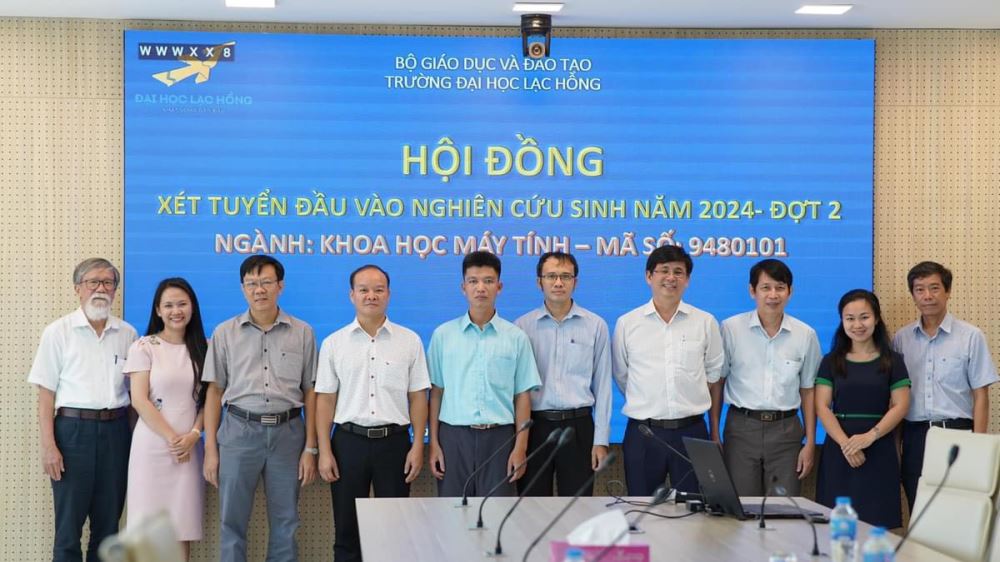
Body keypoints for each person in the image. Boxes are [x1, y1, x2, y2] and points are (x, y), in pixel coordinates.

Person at [201, 255, 319, 562]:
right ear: (243, 288)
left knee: (286, 521)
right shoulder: (224, 333)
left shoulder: (303, 332)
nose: (259, 290)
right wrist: (211, 449)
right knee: (231, 521)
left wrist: (311, 448)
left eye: (266, 282)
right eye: (252, 283)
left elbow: (311, 392)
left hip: (288, 434)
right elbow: (214, 391)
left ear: (280, 286)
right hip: (238, 432)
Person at [315, 265, 430, 562]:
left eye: (378, 290)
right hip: (347, 443)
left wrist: (418, 445)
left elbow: (418, 397)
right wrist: (324, 451)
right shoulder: (334, 343)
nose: (371, 296)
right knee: (346, 533)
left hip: (394, 444)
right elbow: (325, 400)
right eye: (364, 290)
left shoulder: (410, 341)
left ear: (388, 294)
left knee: (395, 531)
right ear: (351, 295)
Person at [28, 257, 138, 562]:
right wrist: (49, 447)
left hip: (117, 432)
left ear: (115, 290)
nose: (100, 288)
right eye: (93, 282)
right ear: (78, 288)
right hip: (72, 434)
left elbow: (134, 396)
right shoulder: (58, 332)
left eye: (108, 282)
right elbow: (46, 396)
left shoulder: (128, 334)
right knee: (68, 530)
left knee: (108, 529)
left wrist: (133, 443)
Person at [428, 251, 541, 497]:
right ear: (463, 287)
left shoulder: (516, 337)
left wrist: (520, 448)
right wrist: (434, 443)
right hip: (454, 437)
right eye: (473, 281)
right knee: (452, 511)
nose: (481, 288)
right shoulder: (443, 335)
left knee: (497, 512)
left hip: (500, 438)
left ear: (499, 287)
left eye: (488, 281)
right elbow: (436, 393)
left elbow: (522, 396)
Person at [612, 245, 723, 496]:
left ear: (687, 279)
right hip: (644, 432)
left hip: (692, 431)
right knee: (642, 507)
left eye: (678, 272)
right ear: (648, 276)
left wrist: (689, 394)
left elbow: (713, 371)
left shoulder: (705, 322)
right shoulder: (627, 323)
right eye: (664, 270)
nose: (671, 277)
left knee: (694, 509)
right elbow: (622, 374)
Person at [892, 261, 997, 510]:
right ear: (913, 295)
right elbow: (896, 399)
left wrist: (978, 446)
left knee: (958, 512)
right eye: (919, 289)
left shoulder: (970, 336)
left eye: (934, 288)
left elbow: (981, 395)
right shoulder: (901, 339)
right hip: (915, 437)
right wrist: (896, 448)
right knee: (919, 510)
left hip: (958, 434)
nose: (927, 296)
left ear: (948, 291)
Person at [717, 259, 821, 496]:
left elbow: (808, 391)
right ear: (752, 291)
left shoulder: (805, 334)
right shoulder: (730, 328)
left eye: (780, 287)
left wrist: (810, 443)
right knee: (742, 506)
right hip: (741, 428)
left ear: (790, 291)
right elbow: (718, 383)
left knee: (784, 507)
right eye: (766, 287)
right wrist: (714, 431)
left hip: (786, 431)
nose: (773, 295)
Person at [514, 252, 612, 496]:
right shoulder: (522, 327)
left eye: (565, 276)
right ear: (539, 282)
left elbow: (603, 387)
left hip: (579, 427)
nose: (558, 283)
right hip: (536, 427)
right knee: (533, 506)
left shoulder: (595, 325)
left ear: (575, 282)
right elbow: (517, 389)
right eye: (551, 276)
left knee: (577, 507)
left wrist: (600, 440)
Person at [122, 278, 207, 560]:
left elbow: (210, 400)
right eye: (168, 305)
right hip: (152, 448)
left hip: (189, 449)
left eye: (182, 304)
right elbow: (139, 400)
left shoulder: (205, 348)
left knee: (181, 527)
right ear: (158, 310)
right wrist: (173, 439)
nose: (176, 311)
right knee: (147, 531)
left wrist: (194, 434)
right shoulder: (143, 346)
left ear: (192, 307)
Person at [815, 289, 911, 529]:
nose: (857, 325)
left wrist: (870, 436)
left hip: (879, 447)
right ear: (842, 321)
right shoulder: (830, 361)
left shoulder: (893, 360)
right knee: (836, 525)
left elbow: (901, 405)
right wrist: (846, 445)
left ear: (876, 319)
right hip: (839, 450)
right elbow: (822, 406)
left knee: (877, 524)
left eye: (864, 317)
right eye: (850, 318)